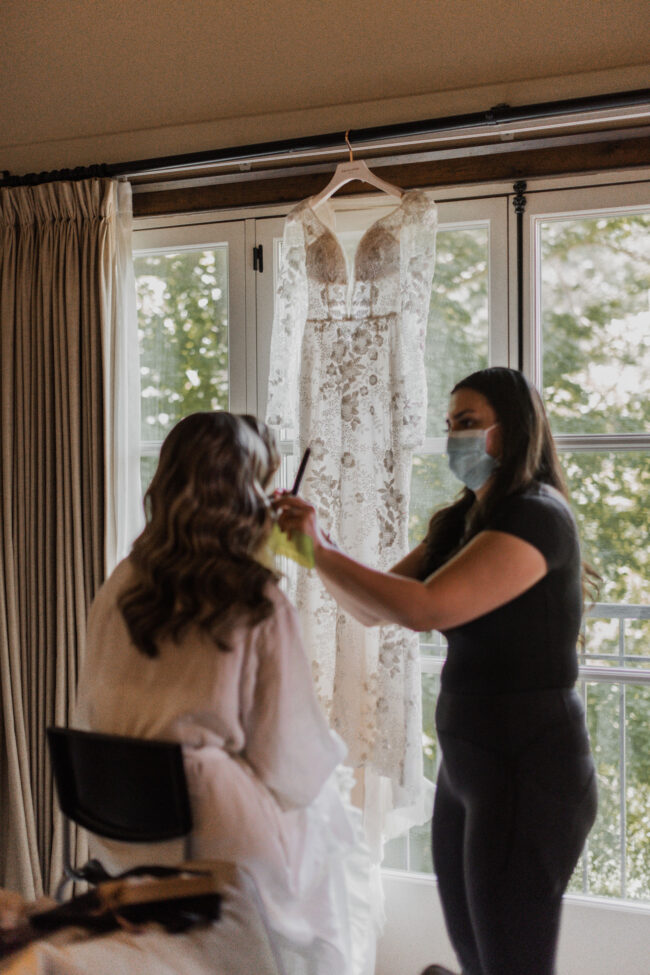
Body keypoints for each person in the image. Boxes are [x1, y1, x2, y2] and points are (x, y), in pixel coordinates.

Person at [273, 367, 598, 975]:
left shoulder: (536, 515)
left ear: (514, 429)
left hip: (531, 769)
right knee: (477, 958)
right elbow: (374, 609)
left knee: (513, 964)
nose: (455, 439)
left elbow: (424, 611)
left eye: (469, 424)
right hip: (469, 764)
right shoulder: (459, 522)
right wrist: (315, 548)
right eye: (450, 425)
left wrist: (320, 548)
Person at [75, 411, 373, 975]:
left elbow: (95, 706)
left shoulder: (121, 580)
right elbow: (287, 759)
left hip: (122, 821)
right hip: (211, 830)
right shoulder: (256, 599)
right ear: (248, 496)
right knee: (335, 831)